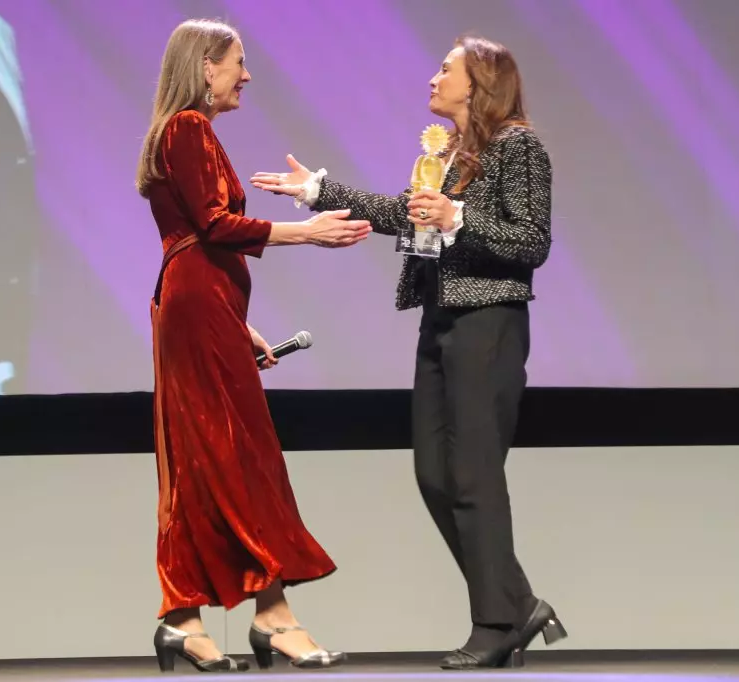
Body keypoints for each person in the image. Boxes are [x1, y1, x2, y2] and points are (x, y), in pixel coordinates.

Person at [251, 37, 566, 670]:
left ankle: (497, 620)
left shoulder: (518, 147)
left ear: (478, 82)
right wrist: (318, 190)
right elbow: (407, 214)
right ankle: (520, 603)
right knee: (434, 475)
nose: (433, 77)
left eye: (445, 69)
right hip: (440, 320)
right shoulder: (452, 153)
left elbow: (531, 242)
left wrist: (457, 220)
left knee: (474, 476)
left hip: (488, 323)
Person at [136, 19, 368, 674]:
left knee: (205, 460)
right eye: (238, 62)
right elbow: (213, 224)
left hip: (203, 308)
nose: (247, 75)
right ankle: (273, 617)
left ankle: (183, 622)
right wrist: (309, 231)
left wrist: (237, 324)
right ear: (206, 66)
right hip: (196, 306)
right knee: (239, 455)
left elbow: (196, 239)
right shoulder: (187, 128)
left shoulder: (183, 131)